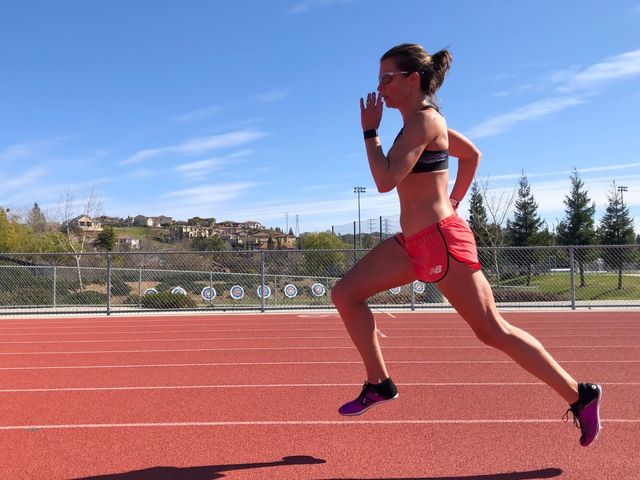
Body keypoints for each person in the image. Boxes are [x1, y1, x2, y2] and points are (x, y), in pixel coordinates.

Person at [331, 43, 602, 447]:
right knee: (345, 294)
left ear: (412, 79)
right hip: (413, 243)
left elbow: (386, 180)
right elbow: (472, 155)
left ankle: (580, 395)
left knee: (493, 331)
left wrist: (369, 132)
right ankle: (379, 383)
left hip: (441, 243)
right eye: (379, 79)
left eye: (387, 78)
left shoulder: (424, 121)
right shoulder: (418, 125)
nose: (380, 87)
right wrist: (454, 199)